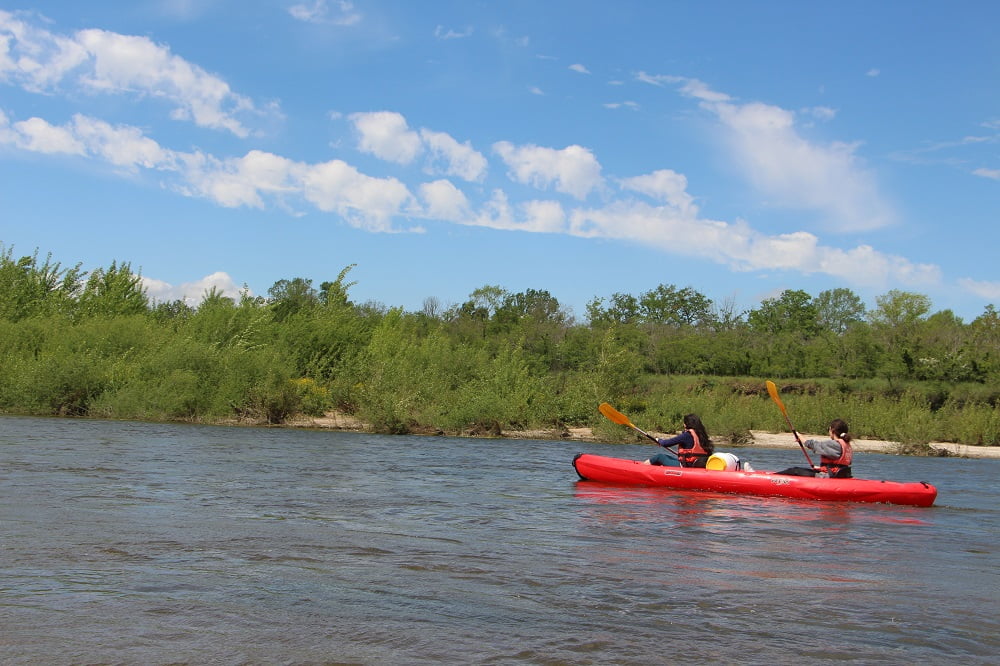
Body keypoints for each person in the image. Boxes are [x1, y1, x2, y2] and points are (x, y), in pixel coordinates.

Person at [776, 418, 854, 478]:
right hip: (839, 475)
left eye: (829, 429)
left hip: (830, 477)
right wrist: (820, 468)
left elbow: (813, 445)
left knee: (795, 470)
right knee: (807, 471)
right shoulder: (847, 445)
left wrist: (799, 436)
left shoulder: (835, 444)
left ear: (832, 430)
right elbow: (837, 465)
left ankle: (773, 478)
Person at [643, 413, 715, 468]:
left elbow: (666, 443)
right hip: (698, 465)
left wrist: (658, 440)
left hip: (687, 466)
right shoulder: (702, 435)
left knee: (660, 456)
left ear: (685, 425)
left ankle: (642, 468)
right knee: (670, 458)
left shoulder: (687, 435)